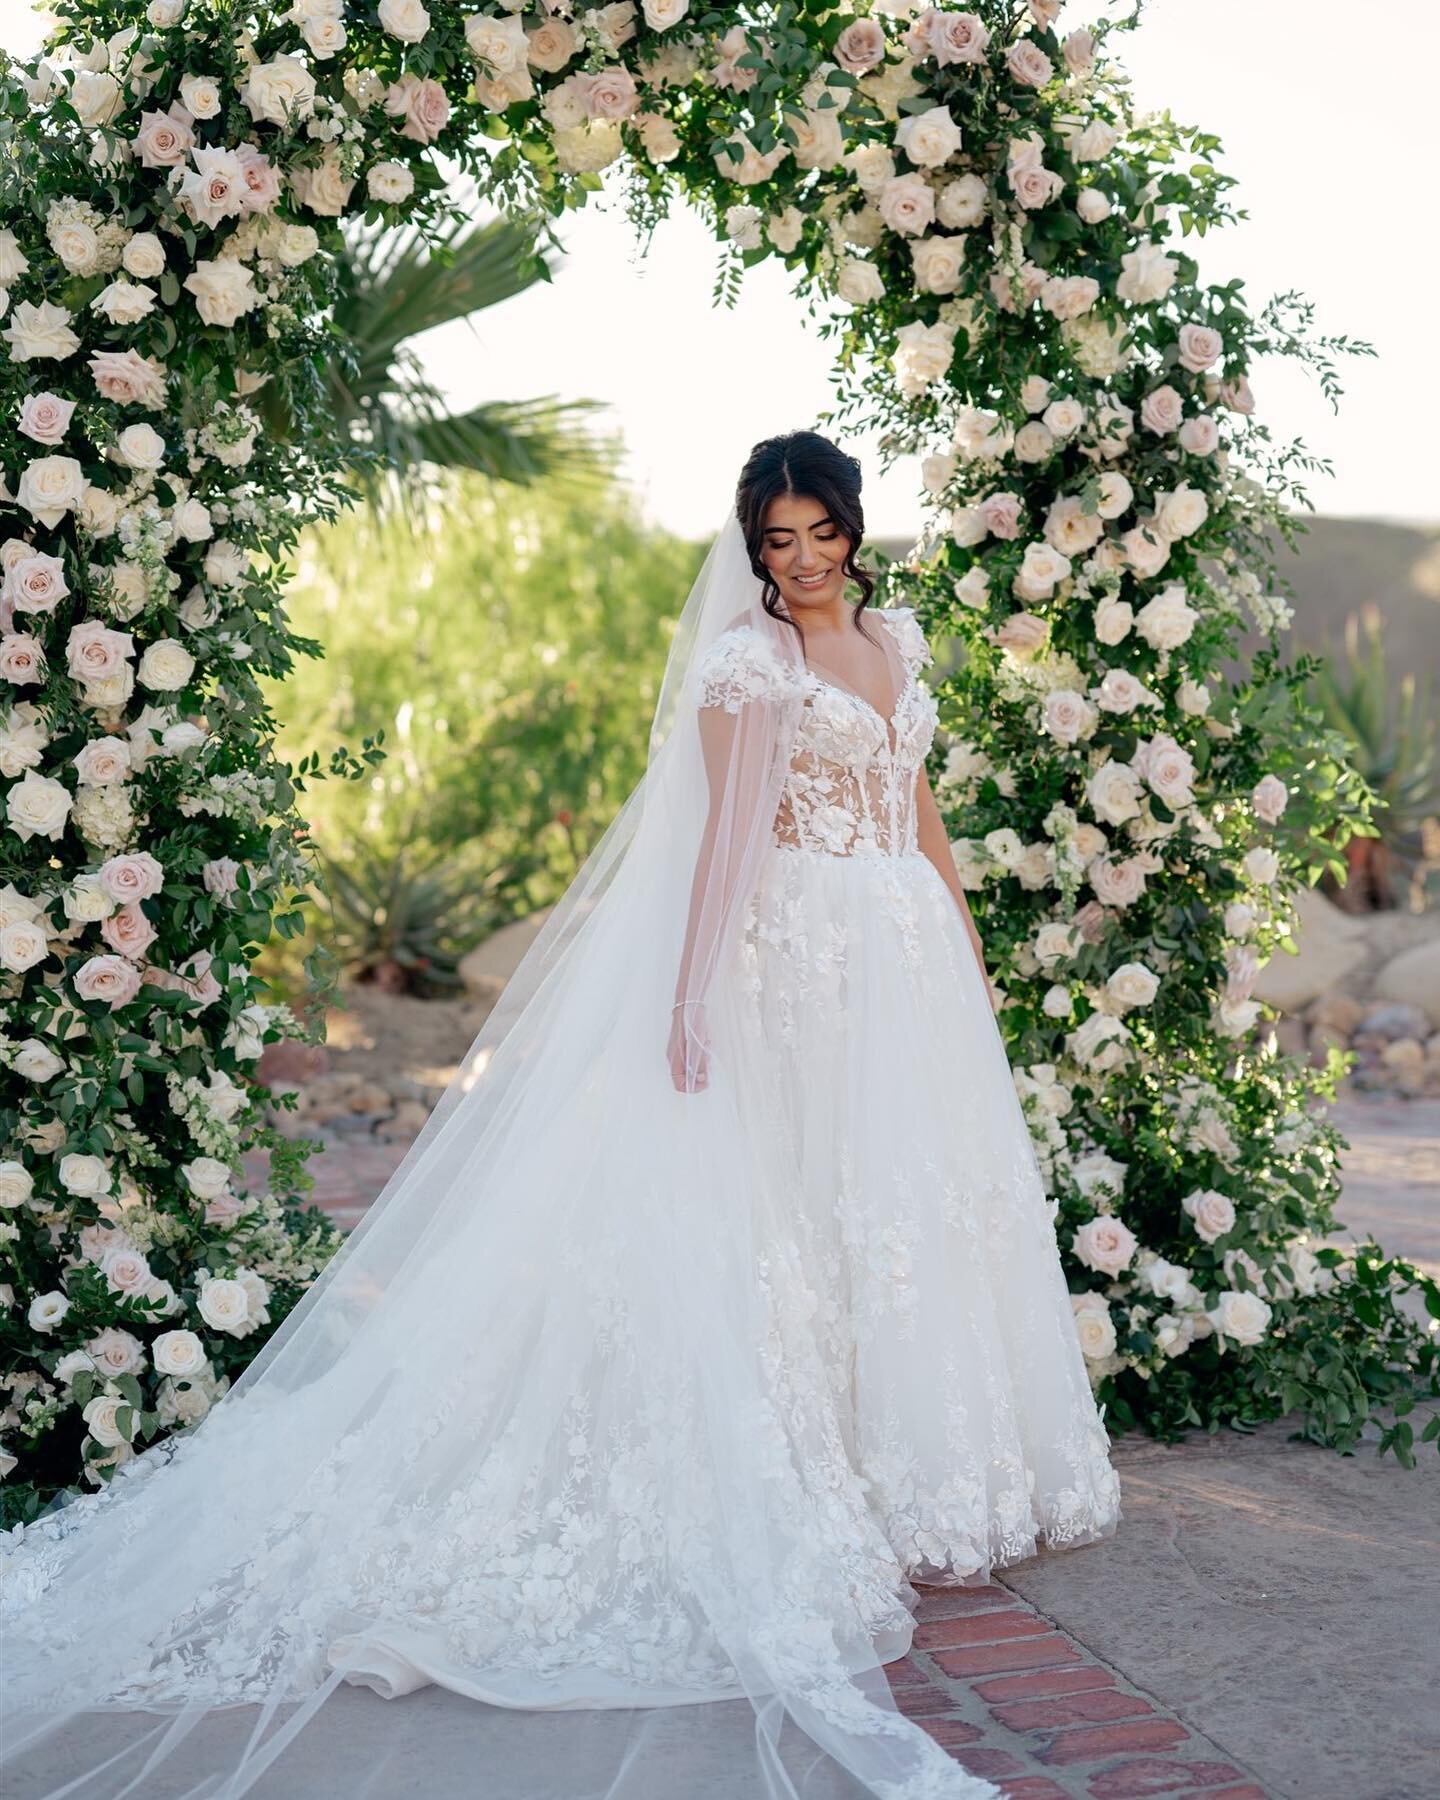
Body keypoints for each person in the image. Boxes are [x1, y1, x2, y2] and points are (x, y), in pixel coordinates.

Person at [1, 431, 1121, 1800]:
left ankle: (920, 1468)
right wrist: (692, 995)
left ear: (853, 523)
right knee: (800, 1206)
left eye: (820, 531)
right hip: (804, 961)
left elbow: (917, 797)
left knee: (905, 1204)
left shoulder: (896, 636)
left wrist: (960, 934)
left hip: (903, 956)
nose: (804, 559)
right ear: (754, 548)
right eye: (778, 541)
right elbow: (726, 838)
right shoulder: (750, 665)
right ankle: (820, 1478)